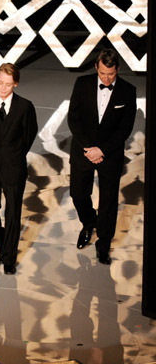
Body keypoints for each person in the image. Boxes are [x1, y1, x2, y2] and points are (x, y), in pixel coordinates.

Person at [67, 49, 137, 265]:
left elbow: (125, 129)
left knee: (108, 201)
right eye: (103, 73)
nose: (107, 78)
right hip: (83, 150)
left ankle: (104, 244)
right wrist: (89, 148)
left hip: (110, 154)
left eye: (111, 74)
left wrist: (102, 150)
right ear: (96, 67)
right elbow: (74, 119)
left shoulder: (127, 90)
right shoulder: (82, 83)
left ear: (117, 70)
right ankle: (89, 222)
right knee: (78, 194)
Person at [0, 63, 37, 275]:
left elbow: (29, 135)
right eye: (1, 83)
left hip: (14, 167)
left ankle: (9, 258)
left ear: (16, 84)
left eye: (9, 85)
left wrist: (13, 155)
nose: (3, 89)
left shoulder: (24, 106)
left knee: (13, 213)